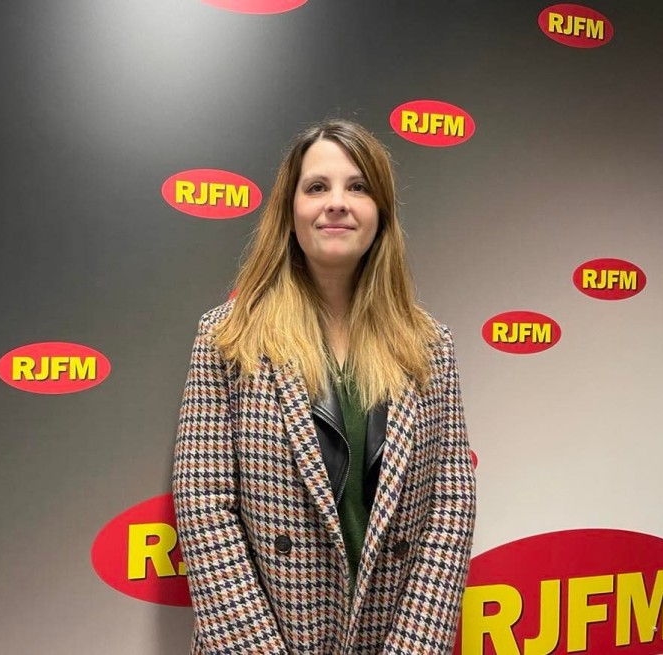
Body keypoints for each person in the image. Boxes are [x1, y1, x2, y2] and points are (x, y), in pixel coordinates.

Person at [172, 119, 476, 654]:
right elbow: (204, 505)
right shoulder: (228, 337)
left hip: (390, 637)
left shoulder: (430, 346)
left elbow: (451, 506)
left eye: (357, 187)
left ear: (381, 213)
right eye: (317, 187)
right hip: (271, 638)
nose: (337, 203)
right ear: (290, 211)